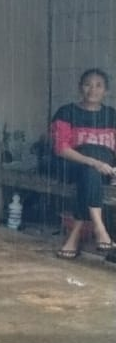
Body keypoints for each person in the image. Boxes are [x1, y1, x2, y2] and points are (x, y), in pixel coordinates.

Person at [44, 68, 116, 260]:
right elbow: (60, 148)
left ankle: (74, 236)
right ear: (79, 88)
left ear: (106, 91)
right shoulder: (67, 112)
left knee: (90, 175)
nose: (92, 90)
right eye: (87, 84)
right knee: (89, 170)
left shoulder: (112, 115)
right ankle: (100, 229)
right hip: (71, 167)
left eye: (98, 85)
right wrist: (94, 162)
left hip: (105, 170)